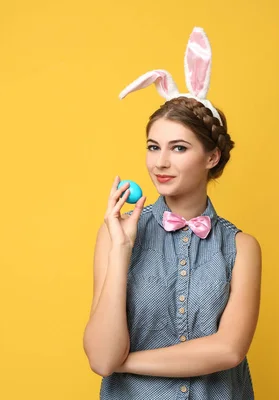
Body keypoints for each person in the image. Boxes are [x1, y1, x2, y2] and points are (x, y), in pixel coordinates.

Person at [82, 27, 262, 399]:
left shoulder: (242, 248)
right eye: (153, 147)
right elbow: (100, 358)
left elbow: (229, 350)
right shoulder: (115, 236)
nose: (160, 162)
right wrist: (120, 252)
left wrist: (126, 361)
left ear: (211, 157)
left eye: (178, 148)